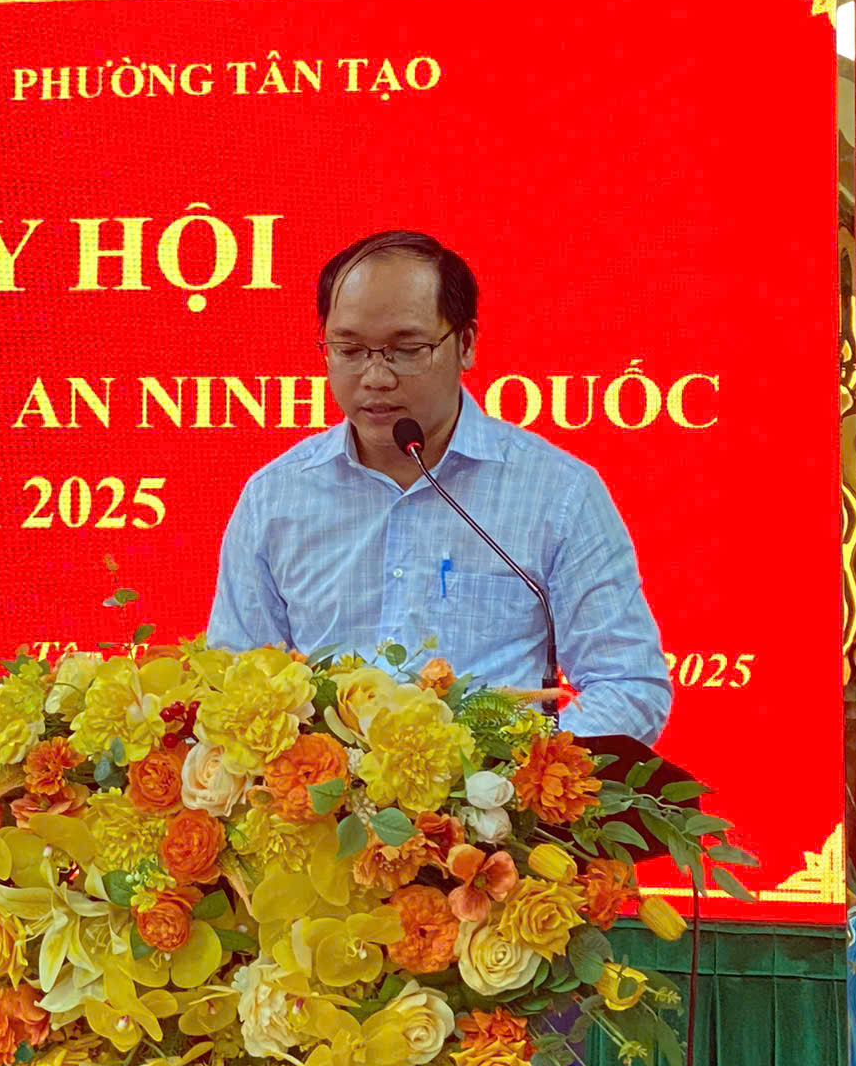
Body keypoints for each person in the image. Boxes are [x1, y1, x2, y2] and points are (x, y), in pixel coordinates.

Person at [207, 229, 671, 745]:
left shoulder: (558, 494)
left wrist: (518, 772)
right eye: (350, 349)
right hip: (323, 794)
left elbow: (629, 685)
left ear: (466, 343)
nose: (376, 377)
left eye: (407, 350)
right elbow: (234, 688)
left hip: (498, 792)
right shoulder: (275, 497)